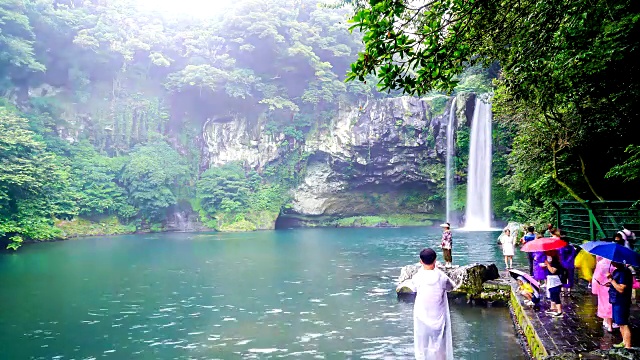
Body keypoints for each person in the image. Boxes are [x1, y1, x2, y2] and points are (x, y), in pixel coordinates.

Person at [410, 248, 455, 360]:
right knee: (440, 346)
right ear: (435, 260)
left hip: (421, 318)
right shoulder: (442, 277)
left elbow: (413, 289)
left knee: (422, 346)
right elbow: (451, 287)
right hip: (439, 318)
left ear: (421, 261)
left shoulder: (417, 277)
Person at [607, 261, 634, 348]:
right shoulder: (617, 271)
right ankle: (624, 341)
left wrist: (611, 280)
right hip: (615, 300)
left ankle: (628, 346)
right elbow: (617, 284)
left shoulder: (624, 272)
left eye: (613, 260)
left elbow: (621, 289)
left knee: (623, 323)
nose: (611, 262)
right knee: (619, 323)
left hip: (621, 301)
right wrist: (610, 284)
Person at [592, 255, 614, 332]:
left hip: (602, 287)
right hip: (612, 286)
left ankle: (607, 322)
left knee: (604, 305)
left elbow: (596, 277)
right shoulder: (615, 264)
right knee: (610, 305)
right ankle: (610, 324)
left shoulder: (601, 263)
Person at [541, 250, 565, 317]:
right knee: (552, 293)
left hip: (555, 281)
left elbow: (552, 271)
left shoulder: (556, 263)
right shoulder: (551, 262)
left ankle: (559, 311)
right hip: (551, 280)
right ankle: (553, 308)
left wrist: (547, 264)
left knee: (555, 294)